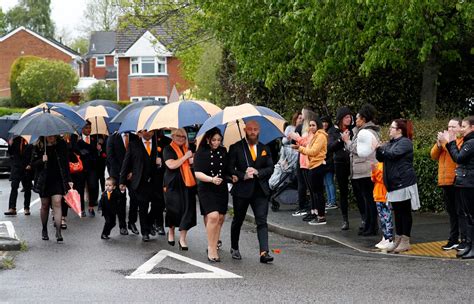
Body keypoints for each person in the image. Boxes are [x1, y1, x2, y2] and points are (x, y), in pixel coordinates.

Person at [228, 120, 274, 263]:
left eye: (255, 129)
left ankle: (264, 253)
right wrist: (243, 175)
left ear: (258, 130)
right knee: (238, 220)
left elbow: (270, 168)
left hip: (260, 191)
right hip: (242, 190)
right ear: (245, 130)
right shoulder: (236, 147)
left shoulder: (264, 147)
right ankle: (234, 247)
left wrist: (257, 172)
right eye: (250, 129)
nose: (253, 132)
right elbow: (229, 168)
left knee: (262, 221)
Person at [376, 119, 420, 253]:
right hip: (393, 183)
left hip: (403, 181)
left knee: (404, 212)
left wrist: (380, 148)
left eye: (392, 127)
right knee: (398, 213)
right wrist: (379, 149)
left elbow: (393, 155)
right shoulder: (391, 143)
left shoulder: (405, 142)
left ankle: (405, 241)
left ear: (399, 130)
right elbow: (381, 158)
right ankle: (398, 239)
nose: (389, 129)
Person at [342, 104, 380, 236]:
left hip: (365, 169)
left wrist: (347, 141)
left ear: (363, 119)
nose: (355, 120)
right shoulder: (367, 130)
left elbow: (357, 149)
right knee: (367, 199)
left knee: (369, 199)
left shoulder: (366, 132)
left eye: (357, 118)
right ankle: (369, 225)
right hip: (364, 168)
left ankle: (372, 226)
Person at [194, 128, 230, 262]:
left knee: (220, 217)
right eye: (214, 140)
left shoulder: (223, 151)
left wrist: (233, 176)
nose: (216, 142)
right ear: (208, 139)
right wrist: (211, 179)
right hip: (206, 187)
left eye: (219, 140)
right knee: (213, 216)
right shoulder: (200, 152)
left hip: (221, 188)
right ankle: (211, 248)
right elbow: (197, 173)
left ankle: (215, 242)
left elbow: (226, 169)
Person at [119, 130, 160, 242]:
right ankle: (145, 232)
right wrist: (122, 181)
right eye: (146, 131)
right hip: (140, 181)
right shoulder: (133, 145)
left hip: (155, 181)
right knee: (143, 207)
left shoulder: (158, 144)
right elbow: (126, 163)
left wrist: (160, 162)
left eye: (151, 131)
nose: (148, 133)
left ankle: (149, 223)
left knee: (159, 204)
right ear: (141, 132)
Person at [431, 118, 465, 250]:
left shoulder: (461, 141)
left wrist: (446, 143)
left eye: (453, 126)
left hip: (456, 180)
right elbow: (433, 155)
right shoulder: (446, 142)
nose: (450, 129)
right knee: (451, 212)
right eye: (449, 126)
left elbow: (456, 156)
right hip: (444, 181)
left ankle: (463, 239)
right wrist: (439, 144)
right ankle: (453, 238)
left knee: (460, 212)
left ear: (460, 128)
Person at [31, 136, 73, 242]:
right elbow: (33, 164)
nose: (51, 137)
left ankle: (58, 232)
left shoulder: (61, 144)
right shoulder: (39, 145)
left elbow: (65, 163)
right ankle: (44, 229)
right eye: (49, 136)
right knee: (45, 205)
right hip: (44, 180)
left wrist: (69, 180)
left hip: (58, 179)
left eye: (53, 135)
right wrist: (42, 160)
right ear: (45, 136)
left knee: (57, 203)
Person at [162, 128, 197, 250]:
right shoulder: (168, 149)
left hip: (187, 183)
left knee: (187, 210)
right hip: (173, 184)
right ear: (172, 136)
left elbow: (192, 162)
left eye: (183, 137)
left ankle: (182, 238)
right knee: (173, 209)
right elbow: (171, 165)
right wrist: (185, 157)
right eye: (178, 136)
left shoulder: (188, 148)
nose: (181, 139)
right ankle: (171, 232)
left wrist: (192, 158)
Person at [446, 116, 474, 259]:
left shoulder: (471, 142)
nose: (461, 129)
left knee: (471, 216)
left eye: (464, 126)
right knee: (468, 216)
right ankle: (469, 245)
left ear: (472, 127)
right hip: (465, 182)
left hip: (470, 183)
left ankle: (471, 246)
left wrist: (450, 142)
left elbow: (458, 158)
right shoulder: (468, 141)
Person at [292, 116, 328, 225]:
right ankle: (318, 215)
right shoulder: (316, 136)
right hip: (313, 165)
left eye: (313, 125)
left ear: (318, 126)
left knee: (318, 193)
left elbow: (313, 151)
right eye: (310, 125)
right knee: (315, 193)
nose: (311, 127)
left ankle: (321, 216)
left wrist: (300, 148)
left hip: (317, 166)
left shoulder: (321, 136)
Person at [107, 131, 139, 235]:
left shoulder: (135, 138)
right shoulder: (112, 138)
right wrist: (122, 173)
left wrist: (133, 172)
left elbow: (138, 158)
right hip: (118, 174)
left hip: (132, 174)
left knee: (135, 197)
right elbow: (111, 157)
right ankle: (122, 225)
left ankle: (132, 222)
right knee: (121, 199)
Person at [328, 106, 353, 230]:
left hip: (352, 162)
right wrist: (340, 139)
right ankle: (345, 219)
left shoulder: (352, 130)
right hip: (339, 163)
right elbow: (330, 147)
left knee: (358, 189)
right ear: (341, 118)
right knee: (343, 192)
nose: (349, 119)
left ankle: (365, 219)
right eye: (346, 117)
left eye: (350, 117)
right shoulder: (333, 131)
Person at [290, 107, 316, 219]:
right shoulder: (303, 127)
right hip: (302, 158)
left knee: (311, 187)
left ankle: (312, 210)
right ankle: (310, 209)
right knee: (305, 184)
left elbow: (308, 143)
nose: (301, 115)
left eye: (302, 113)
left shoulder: (310, 128)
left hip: (308, 159)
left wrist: (297, 138)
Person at [76, 121, 100, 217]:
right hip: (81, 168)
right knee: (80, 189)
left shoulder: (94, 139)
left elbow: (94, 154)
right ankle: (81, 209)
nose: (88, 129)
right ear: (82, 129)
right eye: (86, 128)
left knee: (93, 186)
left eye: (90, 127)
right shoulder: (78, 139)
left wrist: (98, 149)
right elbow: (77, 151)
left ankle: (90, 206)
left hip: (92, 168)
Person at [4, 136, 33, 216]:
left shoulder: (30, 140)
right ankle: (12, 208)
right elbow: (11, 153)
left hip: (26, 167)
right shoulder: (15, 140)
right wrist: (10, 145)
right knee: (14, 186)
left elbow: (33, 154)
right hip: (16, 167)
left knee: (27, 188)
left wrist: (30, 164)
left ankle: (26, 208)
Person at [151, 130, 172, 236]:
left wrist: (162, 162)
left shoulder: (168, 141)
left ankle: (156, 223)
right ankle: (156, 223)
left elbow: (171, 158)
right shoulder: (148, 141)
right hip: (152, 176)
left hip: (165, 175)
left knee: (162, 201)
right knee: (155, 201)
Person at [371, 162, 394, 250]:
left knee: (387, 218)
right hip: (378, 195)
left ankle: (389, 238)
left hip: (384, 195)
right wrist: (374, 171)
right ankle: (385, 237)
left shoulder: (386, 165)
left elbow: (383, 178)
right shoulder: (378, 164)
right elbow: (373, 179)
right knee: (382, 219)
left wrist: (375, 171)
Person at [321, 115, 337, 210]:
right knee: (326, 182)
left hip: (329, 161)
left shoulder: (331, 132)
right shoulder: (324, 133)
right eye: (323, 122)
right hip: (324, 161)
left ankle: (333, 201)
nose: (324, 124)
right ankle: (329, 201)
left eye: (326, 122)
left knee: (329, 182)